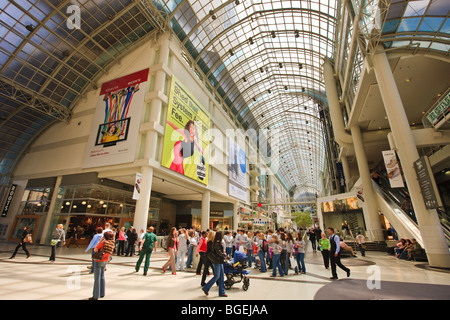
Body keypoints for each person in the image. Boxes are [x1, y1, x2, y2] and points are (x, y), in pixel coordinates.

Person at [89, 231, 115, 300]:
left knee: (97, 278)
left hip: (99, 260)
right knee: (102, 276)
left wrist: (100, 240)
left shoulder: (104, 242)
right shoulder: (112, 243)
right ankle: (102, 293)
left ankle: (95, 295)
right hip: (106, 260)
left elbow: (95, 249)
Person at [202, 231, 227, 297]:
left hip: (219, 261)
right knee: (217, 276)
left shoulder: (216, 242)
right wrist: (223, 255)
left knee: (221, 276)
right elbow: (218, 252)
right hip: (217, 261)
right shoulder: (217, 242)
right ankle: (206, 287)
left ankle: (222, 292)